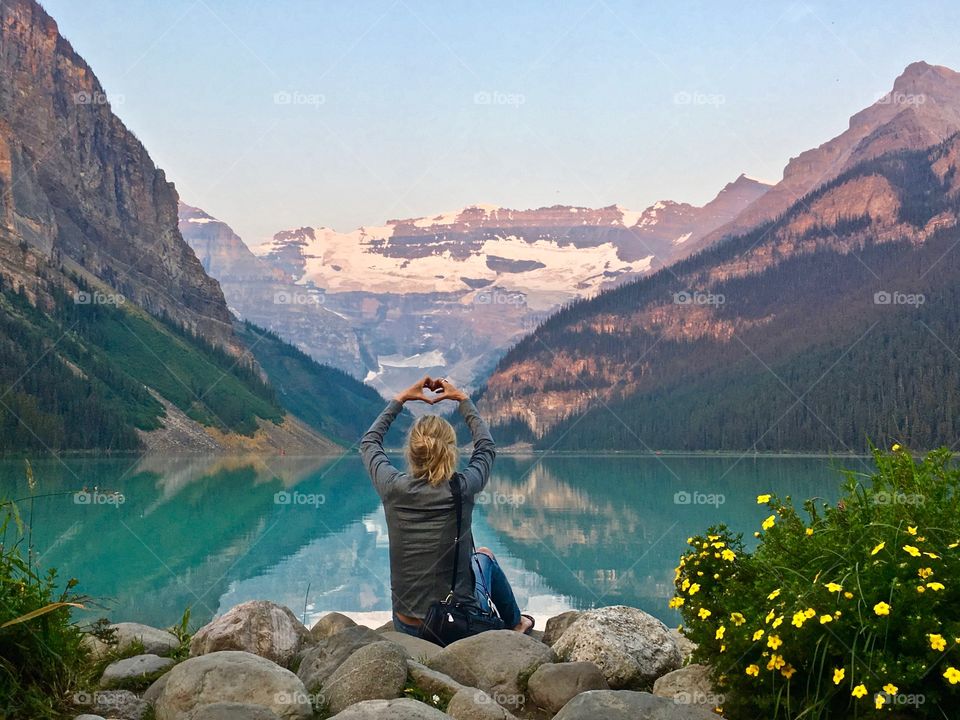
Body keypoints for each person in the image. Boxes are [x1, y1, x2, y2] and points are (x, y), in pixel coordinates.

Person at [359, 375, 535, 638]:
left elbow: (369, 443)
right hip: (453, 624)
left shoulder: (392, 487)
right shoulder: (462, 488)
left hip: (406, 624)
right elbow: (486, 448)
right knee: (484, 555)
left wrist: (401, 399)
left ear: (411, 450)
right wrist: (463, 400)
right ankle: (516, 624)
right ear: (451, 451)